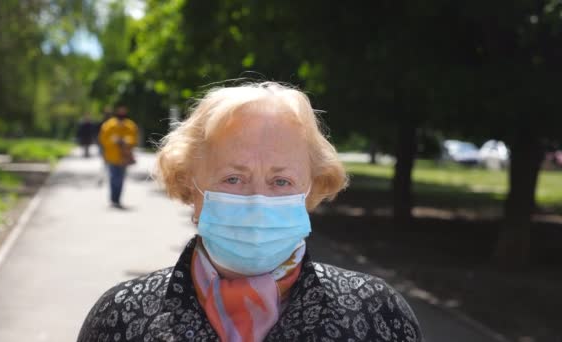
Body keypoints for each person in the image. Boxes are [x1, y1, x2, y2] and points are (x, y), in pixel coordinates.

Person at [78, 82, 422, 341]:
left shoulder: (378, 313)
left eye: (281, 181)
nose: (258, 201)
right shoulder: (121, 317)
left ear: (312, 189)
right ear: (188, 186)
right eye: (233, 178)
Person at [98, 106, 138, 208]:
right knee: (113, 177)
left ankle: (117, 199)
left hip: (124, 157)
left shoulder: (130, 125)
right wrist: (113, 141)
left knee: (120, 178)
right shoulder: (109, 125)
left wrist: (125, 141)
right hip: (112, 156)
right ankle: (113, 198)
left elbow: (134, 139)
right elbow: (103, 140)